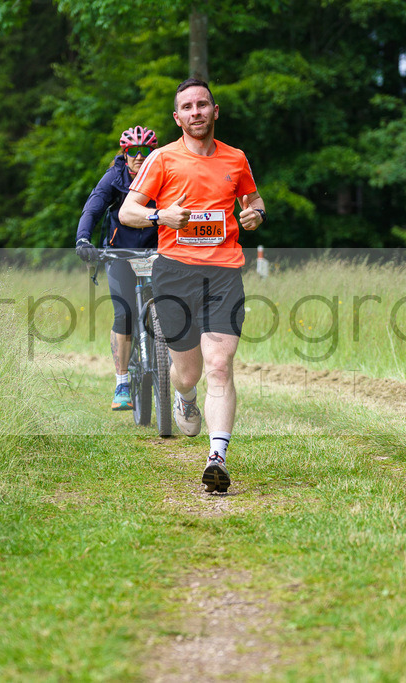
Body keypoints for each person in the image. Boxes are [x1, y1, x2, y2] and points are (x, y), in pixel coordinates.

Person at [118, 78, 265, 493]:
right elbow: (129, 211)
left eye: (203, 105)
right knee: (188, 372)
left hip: (223, 272)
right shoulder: (162, 159)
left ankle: (217, 455)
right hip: (174, 271)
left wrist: (256, 216)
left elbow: (254, 203)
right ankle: (185, 397)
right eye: (188, 107)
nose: (196, 112)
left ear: (215, 111)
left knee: (219, 365)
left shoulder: (236, 159)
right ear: (177, 117)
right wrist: (159, 217)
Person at [75, 125, 159, 410]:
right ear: (124, 153)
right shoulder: (115, 177)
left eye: (145, 151)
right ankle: (122, 380)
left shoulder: (164, 173)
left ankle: (174, 372)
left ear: (152, 153)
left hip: (156, 251)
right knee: (124, 314)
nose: (139, 157)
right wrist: (83, 239)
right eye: (132, 151)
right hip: (119, 253)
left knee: (173, 307)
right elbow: (93, 208)